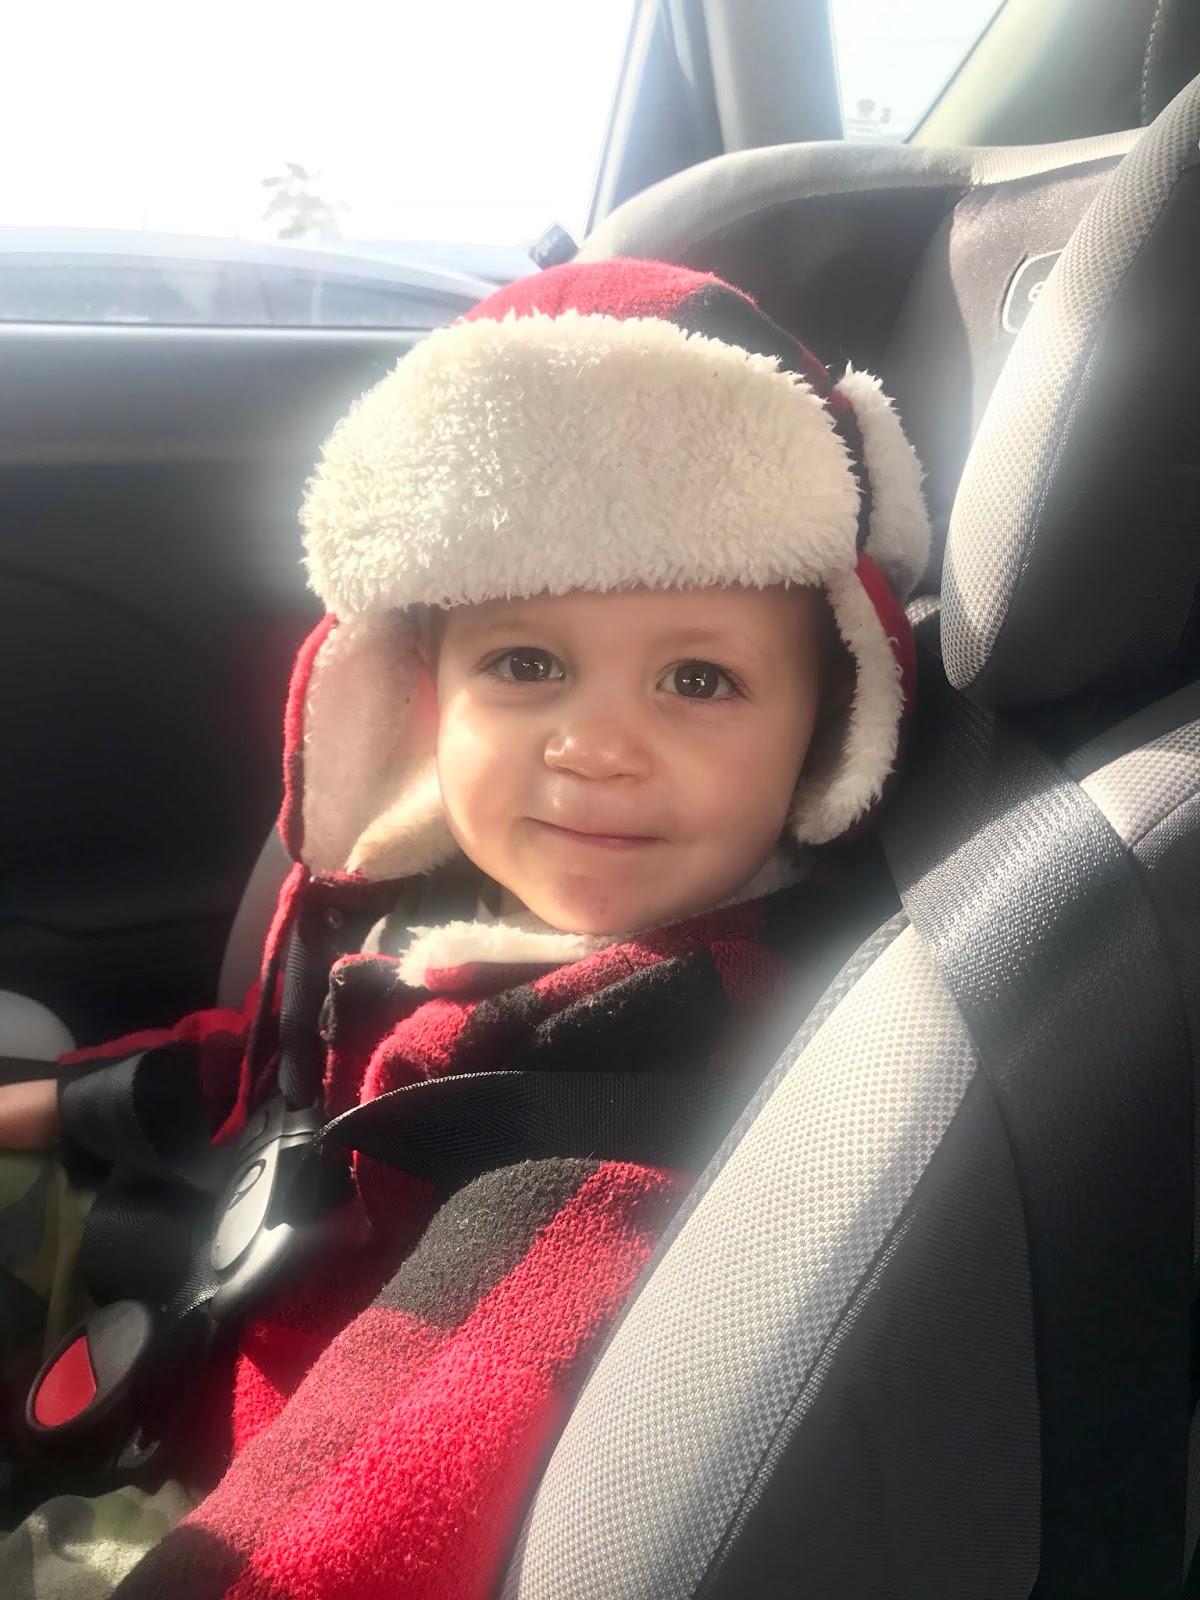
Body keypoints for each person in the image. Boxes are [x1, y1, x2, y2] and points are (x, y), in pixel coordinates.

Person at [0, 257, 928, 1600]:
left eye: (698, 677)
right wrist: (67, 1104)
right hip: (204, 1315)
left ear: (827, 731)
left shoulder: (641, 1081)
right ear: (422, 693)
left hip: (248, 1487)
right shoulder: (436, 906)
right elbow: (276, 1078)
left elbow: (400, 1471)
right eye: (526, 663)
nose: (594, 744)